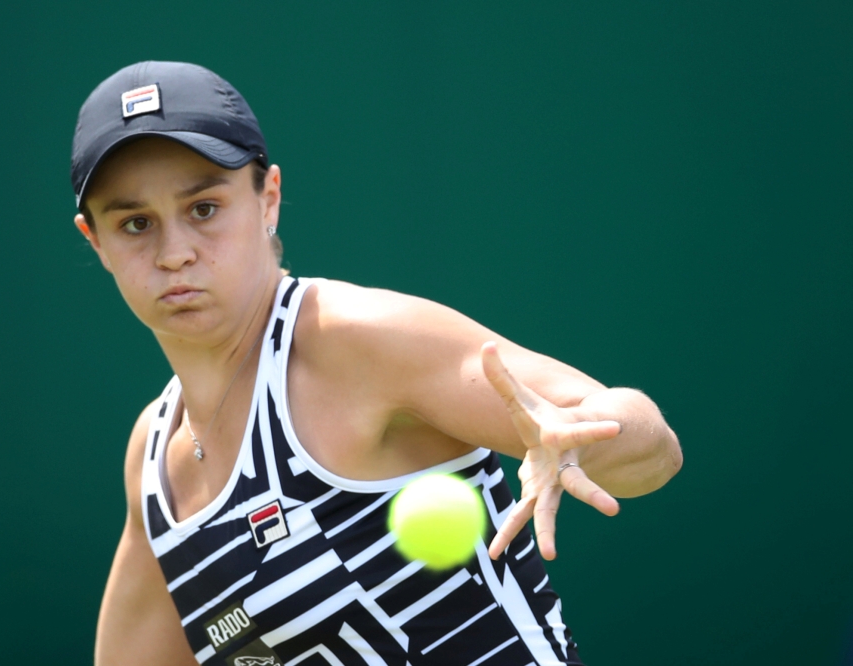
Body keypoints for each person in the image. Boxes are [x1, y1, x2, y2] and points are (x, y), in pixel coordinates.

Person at [70, 61, 682, 666]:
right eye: (135, 224)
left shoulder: (355, 341)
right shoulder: (153, 459)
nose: (174, 253)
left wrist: (582, 441)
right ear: (95, 241)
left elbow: (653, 445)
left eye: (203, 208)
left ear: (268, 200)